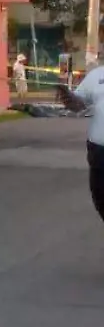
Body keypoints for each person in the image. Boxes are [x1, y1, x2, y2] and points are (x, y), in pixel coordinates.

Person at [55, 60, 104, 223]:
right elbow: (80, 105)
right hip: (99, 153)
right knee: (101, 199)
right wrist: (68, 98)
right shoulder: (96, 75)